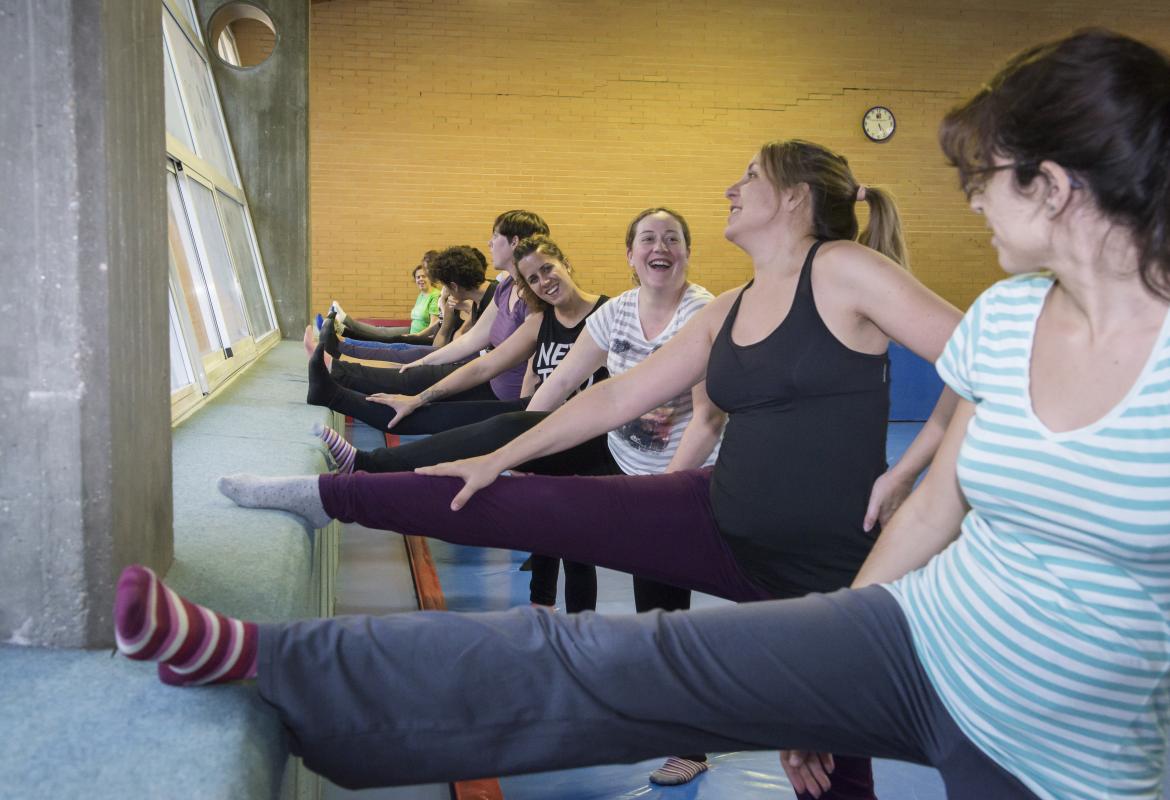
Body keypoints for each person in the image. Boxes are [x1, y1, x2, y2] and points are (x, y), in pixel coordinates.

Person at [116, 27, 1170, 800]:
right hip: (917, 632)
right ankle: (271, 654)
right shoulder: (1011, 312)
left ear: (1056, 184)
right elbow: (934, 513)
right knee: (605, 658)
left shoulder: (869, 277)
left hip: (1065, 748)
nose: (971, 203)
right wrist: (838, 663)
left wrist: (907, 461)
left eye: (984, 181)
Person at [207, 130, 961, 800]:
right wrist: (502, 455)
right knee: (506, 494)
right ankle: (328, 496)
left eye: (749, 179)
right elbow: (619, 395)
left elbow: (989, 363)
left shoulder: (847, 270)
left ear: (794, 200)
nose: (731, 190)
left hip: (828, 571)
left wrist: (911, 468)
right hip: (715, 513)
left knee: (831, 773)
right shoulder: (731, 305)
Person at [309, 209, 725, 783]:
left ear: (686, 253)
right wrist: (515, 447)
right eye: (647, 239)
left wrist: (666, 495)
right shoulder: (617, 312)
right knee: (515, 427)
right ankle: (370, 468)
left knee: (661, 606)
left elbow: (706, 418)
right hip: (614, 451)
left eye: (671, 239)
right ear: (629, 255)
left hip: (677, 473)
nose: (660, 248)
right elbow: (553, 392)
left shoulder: (700, 314)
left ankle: (690, 742)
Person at [316, 211, 548, 415]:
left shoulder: (525, 299)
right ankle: (340, 348)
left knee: (404, 356)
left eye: (495, 236)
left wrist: (524, 417)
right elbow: (469, 340)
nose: (489, 242)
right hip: (484, 375)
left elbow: (496, 361)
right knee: (402, 349)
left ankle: (338, 358)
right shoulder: (505, 288)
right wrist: (424, 360)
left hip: (493, 385)